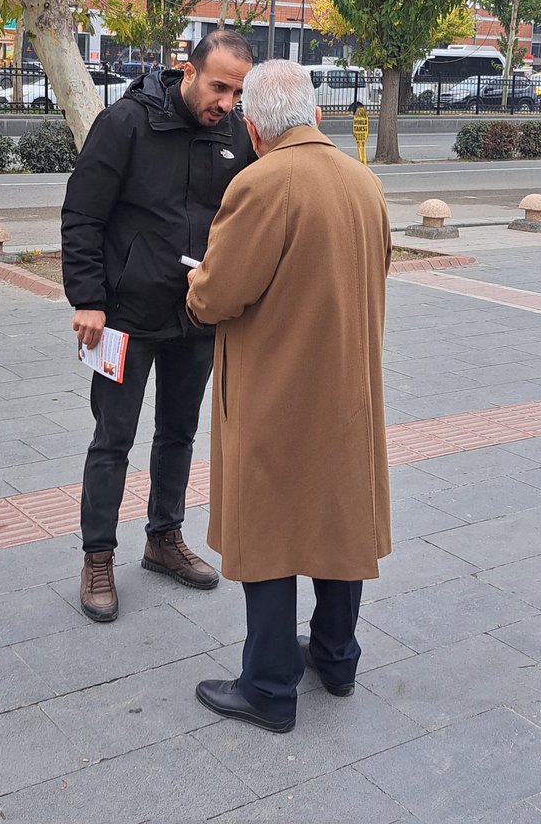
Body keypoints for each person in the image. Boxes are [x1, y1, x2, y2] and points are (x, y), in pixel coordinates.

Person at [186, 60, 392, 732]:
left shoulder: (261, 182)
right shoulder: (364, 182)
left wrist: (196, 286)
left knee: (267, 527)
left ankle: (269, 686)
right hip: (349, 384)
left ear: (253, 127)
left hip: (276, 387)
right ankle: (335, 659)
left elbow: (218, 293)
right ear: (316, 115)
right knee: (338, 517)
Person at [61, 30, 256, 622]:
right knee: (113, 439)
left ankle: (163, 538)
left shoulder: (233, 134)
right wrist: (88, 299)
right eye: (219, 86)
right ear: (187, 71)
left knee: (179, 433)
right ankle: (98, 556)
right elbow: (83, 212)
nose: (227, 102)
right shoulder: (126, 123)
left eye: (238, 91)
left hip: (196, 314)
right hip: (123, 316)